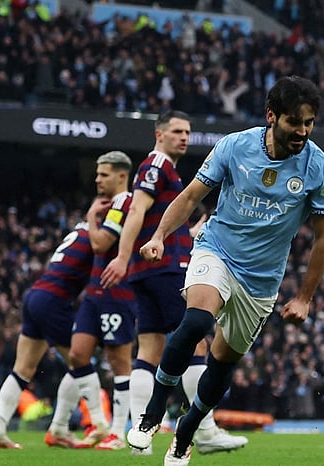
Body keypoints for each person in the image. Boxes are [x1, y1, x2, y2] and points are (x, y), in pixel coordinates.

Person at [126, 75, 324, 465]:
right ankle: (152, 412)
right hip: (216, 251)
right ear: (272, 116)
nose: (303, 131)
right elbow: (192, 195)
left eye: (309, 123)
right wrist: (159, 235)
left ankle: (186, 433)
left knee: (222, 363)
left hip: (261, 282)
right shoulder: (235, 146)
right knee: (194, 324)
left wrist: (305, 296)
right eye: (295, 122)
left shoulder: (319, 167)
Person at [100, 111, 245, 455]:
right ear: (159, 133)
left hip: (147, 269)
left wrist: (188, 233)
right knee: (195, 343)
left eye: (188, 131)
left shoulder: (165, 171)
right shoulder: (156, 166)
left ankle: (139, 440)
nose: (184, 137)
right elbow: (136, 212)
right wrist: (121, 255)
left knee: (148, 351)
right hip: (164, 267)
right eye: (177, 131)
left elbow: (151, 216)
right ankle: (205, 431)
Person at [0, 193, 112, 449]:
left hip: (36, 296)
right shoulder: (99, 237)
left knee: (23, 370)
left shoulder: (78, 231)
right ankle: (100, 426)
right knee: (82, 361)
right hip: (53, 300)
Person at [60, 151, 136, 450]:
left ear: (121, 176)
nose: (97, 179)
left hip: (117, 293)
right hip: (94, 293)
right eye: (97, 174)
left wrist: (92, 216)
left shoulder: (123, 203)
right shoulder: (113, 205)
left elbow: (100, 242)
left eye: (103, 174)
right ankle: (98, 423)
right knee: (78, 354)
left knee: (119, 362)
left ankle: (118, 432)